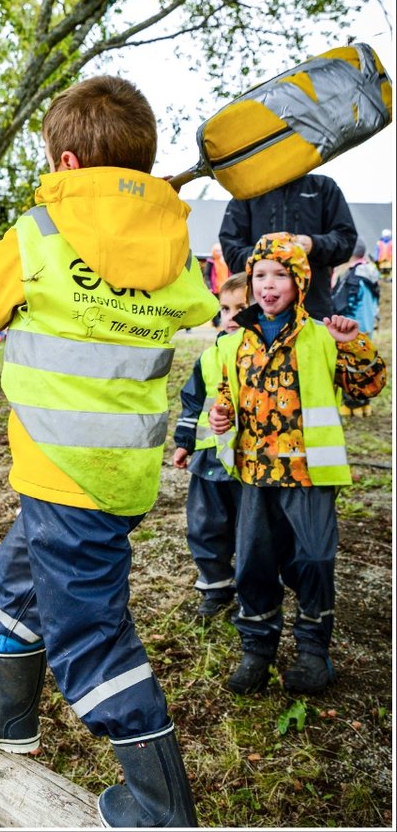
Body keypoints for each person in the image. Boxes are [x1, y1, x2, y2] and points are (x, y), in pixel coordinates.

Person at [0, 76, 216, 828]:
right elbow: (196, 301)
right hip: (116, 474)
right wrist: (141, 216)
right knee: (16, 583)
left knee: (89, 633)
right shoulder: (173, 246)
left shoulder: (39, 235)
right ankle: (5, 712)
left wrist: (51, 224)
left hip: (63, 470)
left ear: (63, 160)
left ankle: (160, 801)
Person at [208, 233, 386, 696]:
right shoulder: (232, 344)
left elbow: (366, 388)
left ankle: (312, 651)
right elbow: (224, 398)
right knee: (253, 564)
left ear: (301, 281)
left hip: (309, 474)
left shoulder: (321, 336)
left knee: (313, 559)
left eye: (281, 275)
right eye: (260, 275)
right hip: (255, 474)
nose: (269, 285)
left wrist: (353, 344)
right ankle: (257, 649)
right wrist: (219, 415)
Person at [171, 271, 249, 617]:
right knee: (205, 525)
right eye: (226, 308)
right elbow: (192, 403)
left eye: (242, 308)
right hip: (208, 459)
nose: (231, 317)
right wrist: (185, 443)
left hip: (249, 464)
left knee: (250, 531)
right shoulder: (208, 358)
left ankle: (252, 593)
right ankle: (216, 587)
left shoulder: (264, 359)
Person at [217, 172, 356, 323]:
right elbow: (232, 250)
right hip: (258, 311)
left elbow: (346, 240)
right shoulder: (247, 191)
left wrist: (314, 244)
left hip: (313, 307)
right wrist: (268, 253)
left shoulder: (323, 187)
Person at [331, 240, 379, 338]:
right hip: (367, 327)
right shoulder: (369, 272)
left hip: (354, 331)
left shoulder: (352, 277)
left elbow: (343, 305)